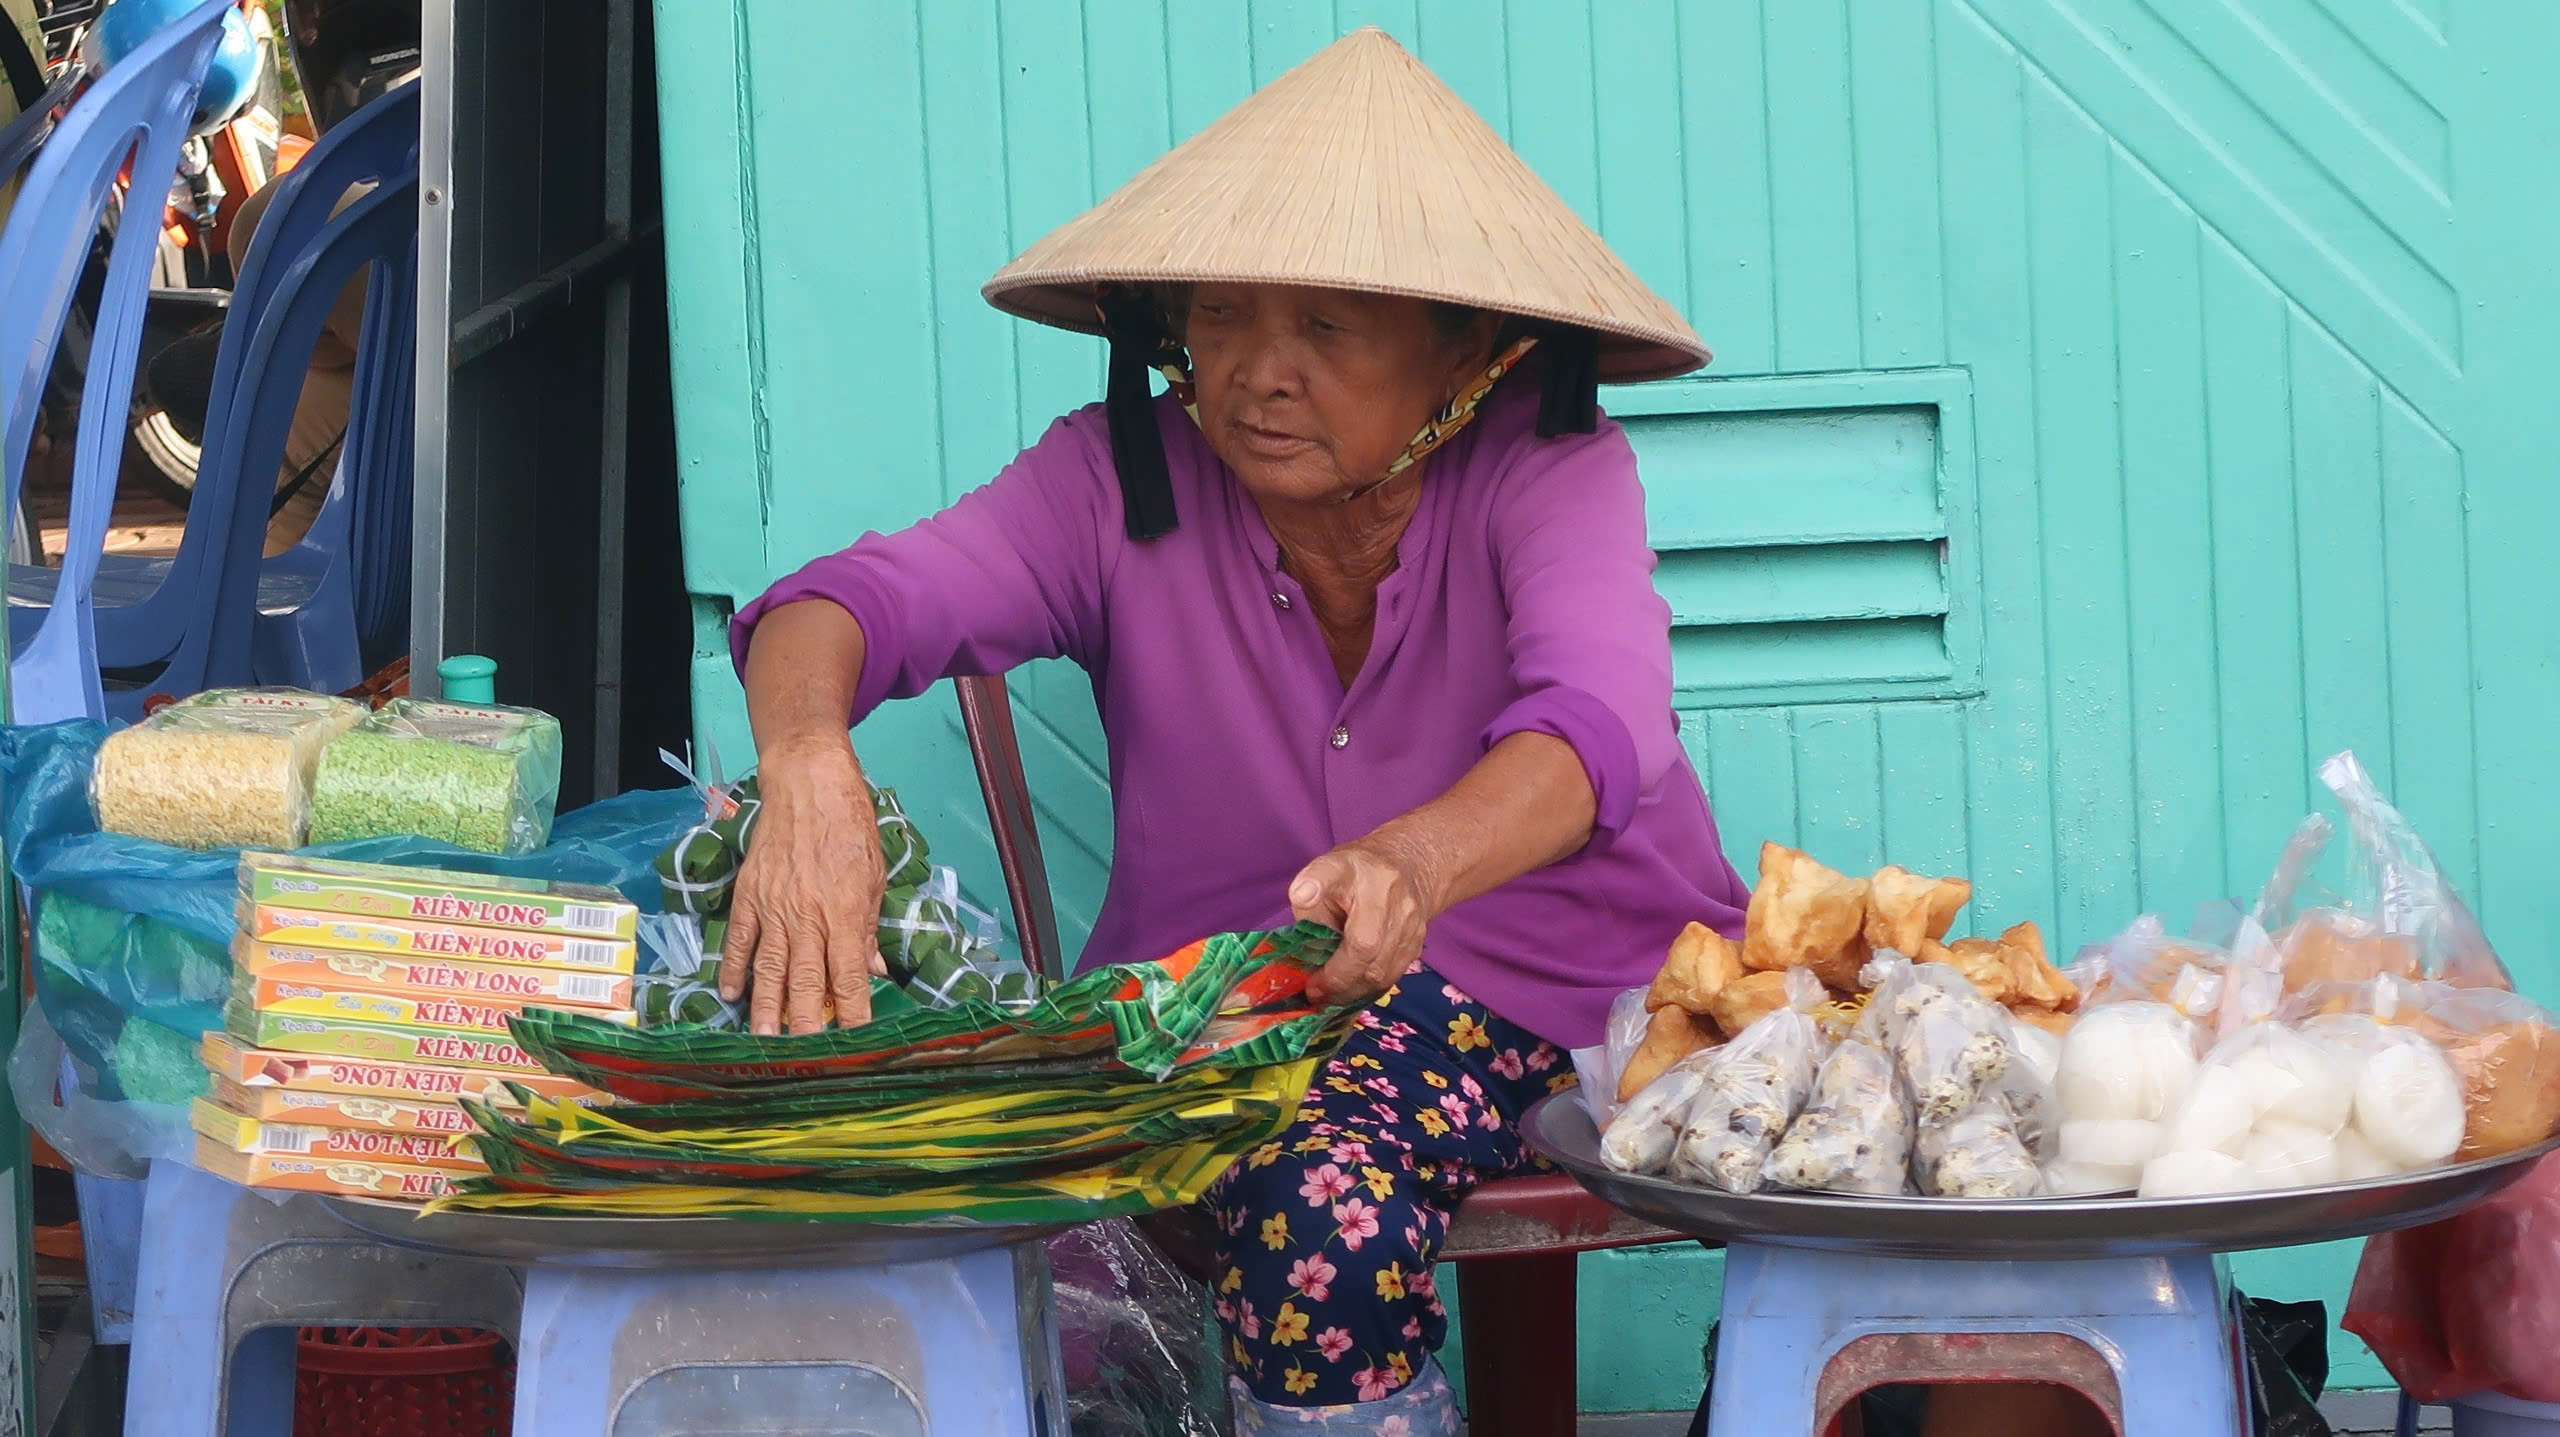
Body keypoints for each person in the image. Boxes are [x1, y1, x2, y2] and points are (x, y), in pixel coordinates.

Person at [722, 28, 2098, 1437]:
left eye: (1326, 327)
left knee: (1323, 1200)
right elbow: (844, 602)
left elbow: (1595, 726)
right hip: (1232, 1011)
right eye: (1222, 316)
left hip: (1544, 984)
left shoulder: (1547, 466)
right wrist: (807, 759)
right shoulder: (1111, 479)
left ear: (1469, 350)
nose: (1259, 371)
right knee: (1114, 1184)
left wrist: (1416, 862)